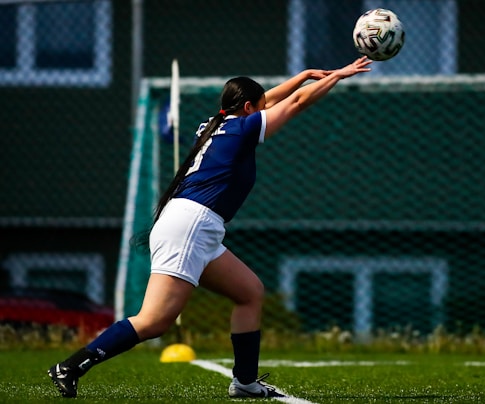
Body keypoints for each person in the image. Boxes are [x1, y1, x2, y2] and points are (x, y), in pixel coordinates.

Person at [48, 56, 372, 399]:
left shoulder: (213, 125)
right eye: (259, 108)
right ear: (248, 107)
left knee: (250, 293)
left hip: (193, 224)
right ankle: (72, 365)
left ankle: (245, 383)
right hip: (191, 226)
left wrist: (303, 75)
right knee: (154, 321)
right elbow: (296, 102)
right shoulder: (243, 128)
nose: (265, 111)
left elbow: (275, 99)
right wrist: (338, 75)